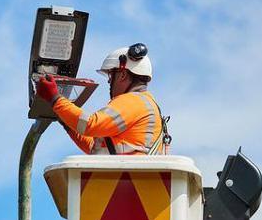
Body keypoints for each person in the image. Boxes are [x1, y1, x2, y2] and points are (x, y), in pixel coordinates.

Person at [36, 43, 171, 155]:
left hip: (127, 181)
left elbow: (90, 124)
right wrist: (66, 121)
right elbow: (94, 148)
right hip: (128, 179)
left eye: (111, 76)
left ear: (122, 75)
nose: (109, 82)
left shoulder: (133, 101)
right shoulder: (144, 104)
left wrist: (55, 98)